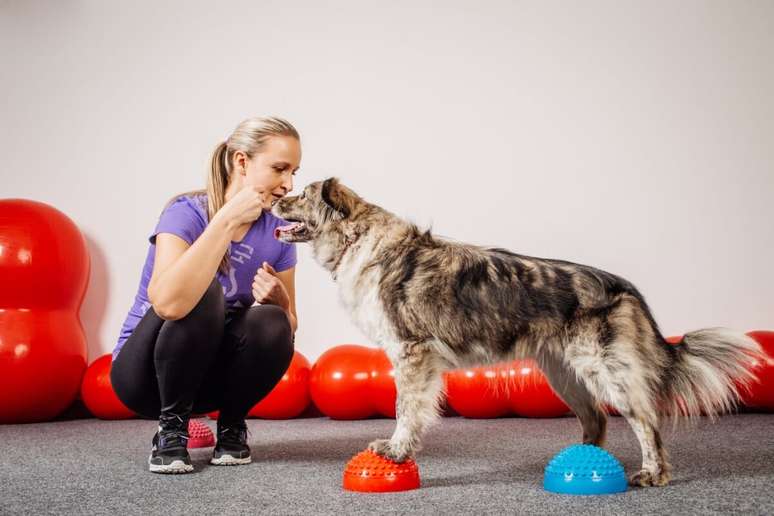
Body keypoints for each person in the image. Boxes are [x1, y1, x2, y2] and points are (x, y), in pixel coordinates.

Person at [110, 116, 302, 473]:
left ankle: (232, 426)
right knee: (203, 290)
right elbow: (168, 302)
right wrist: (226, 221)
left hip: (209, 381)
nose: (288, 184)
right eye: (279, 169)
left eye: (294, 172)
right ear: (242, 161)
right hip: (144, 376)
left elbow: (289, 328)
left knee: (273, 320)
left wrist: (282, 304)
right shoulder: (185, 213)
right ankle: (171, 430)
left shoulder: (278, 232)